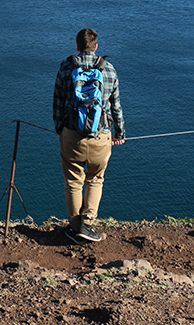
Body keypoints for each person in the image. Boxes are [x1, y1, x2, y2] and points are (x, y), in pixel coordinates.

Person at [53, 28, 125, 243]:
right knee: (95, 179)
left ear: (77, 46)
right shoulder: (109, 70)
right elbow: (116, 107)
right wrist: (119, 133)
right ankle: (88, 224)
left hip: (71, 135)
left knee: (73, 181)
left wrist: (60, 131)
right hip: (101, 137)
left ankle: (74, 228)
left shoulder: (66, 67)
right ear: (96, 47)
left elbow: (57, 102)